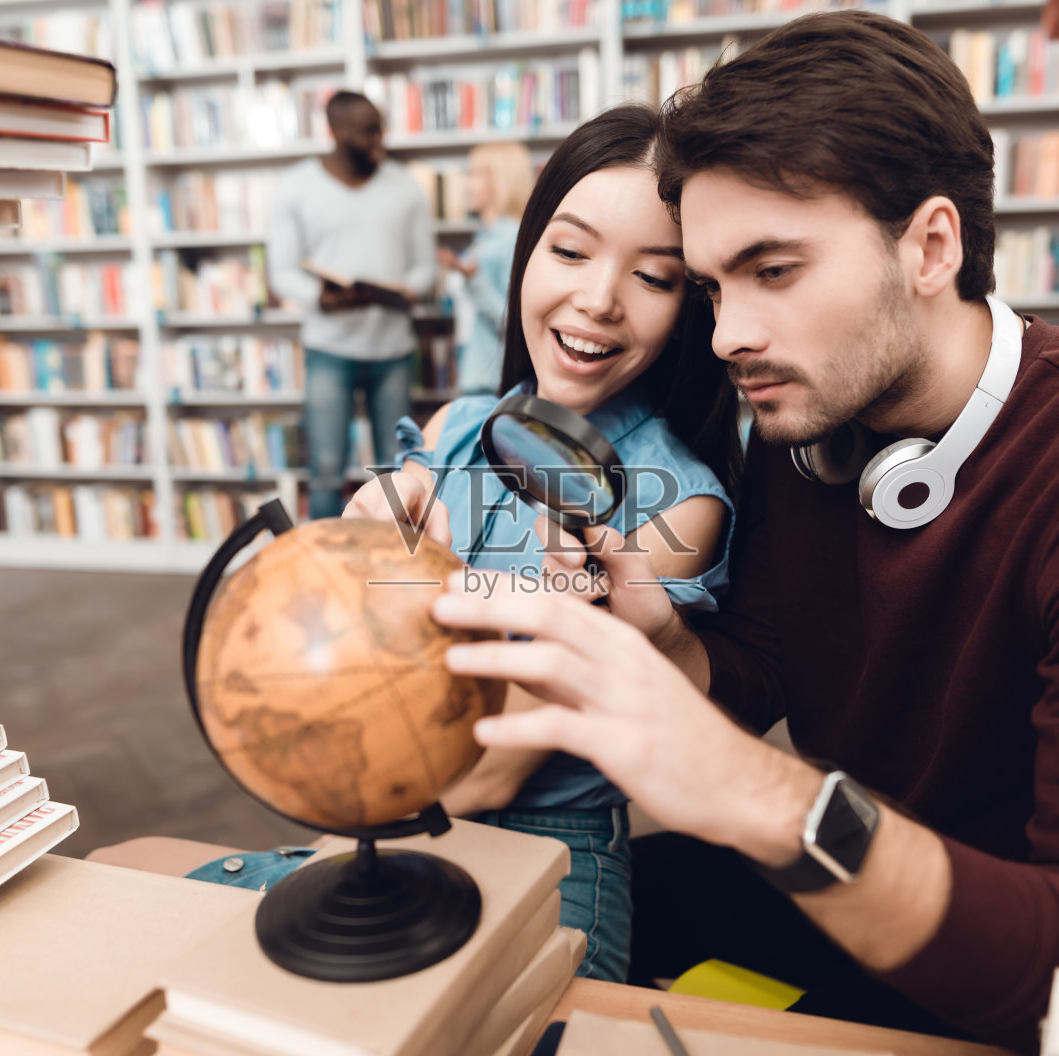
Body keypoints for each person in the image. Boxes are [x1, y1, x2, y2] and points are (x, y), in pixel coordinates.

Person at [422, 11, 1059, 1056]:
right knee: (506, 936)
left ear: (930, 245)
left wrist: (759, 795)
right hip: (840, 883)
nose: (728, 333)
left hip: (1011, 964)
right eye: (709, 287)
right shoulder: (810, 421)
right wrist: (670, 647)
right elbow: (768, 665)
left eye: (772, 270)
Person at [342, 105, 741, 984]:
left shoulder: (676, 504)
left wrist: (337, 831)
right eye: (569, 251)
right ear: (524, 255)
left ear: (691, 305)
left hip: (545, 847)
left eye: (655, 276)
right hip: (393, 790)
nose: (598, 298)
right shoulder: (454, 427)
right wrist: (370, 532)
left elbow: (495, 769)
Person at [267, 90, 436, 519]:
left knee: (397, 470)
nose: (379, 140)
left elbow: (426, 270)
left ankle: (394, 565)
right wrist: (320, 297)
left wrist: (402, 290)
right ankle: (325, 569)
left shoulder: (405, 188)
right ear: (336, 132)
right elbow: (281, 271)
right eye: (367, 133)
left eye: (380, 129)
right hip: (329, 349)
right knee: (325, 468)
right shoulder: (296, 188)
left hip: (393, 350)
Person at [437, 142, 534, 396]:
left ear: (500, 180)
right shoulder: (484, 239)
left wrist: (474, 280)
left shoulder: (511, 238)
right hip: (476, 371)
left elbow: (514, 322)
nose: (466, 184)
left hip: (493, 381)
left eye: (474, 174)